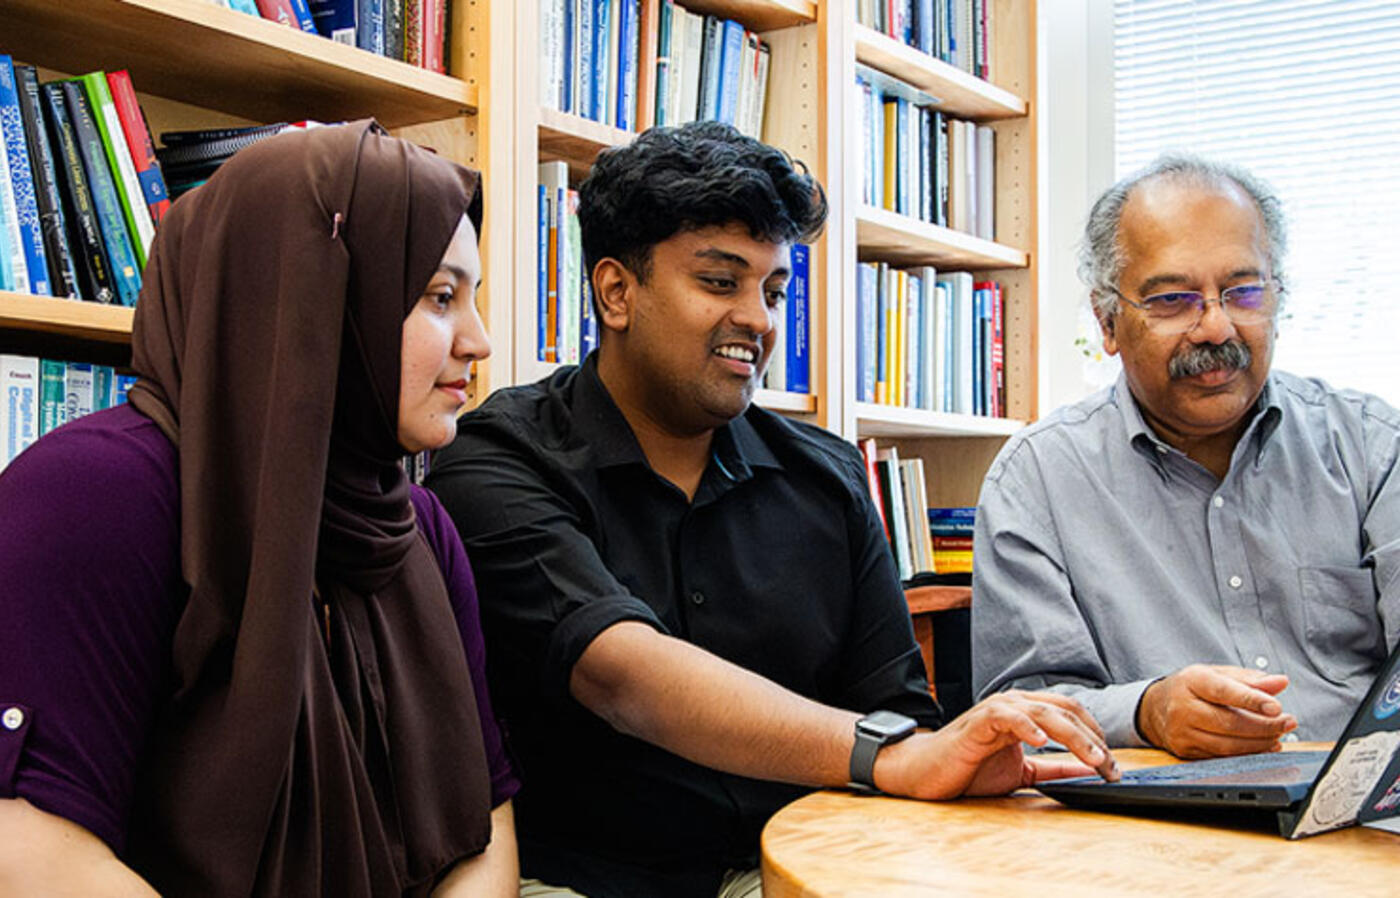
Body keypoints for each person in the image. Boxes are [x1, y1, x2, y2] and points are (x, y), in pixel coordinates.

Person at [426, 121, 1115, 898]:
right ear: (616, 292)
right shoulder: (494, 463)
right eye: (721, 282)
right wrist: (886, 755)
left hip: (811, 862)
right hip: (586, 880)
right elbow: (621, 674)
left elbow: (901, 713)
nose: (759, 319)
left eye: (774, 289)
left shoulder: (826, 477)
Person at [0, 121, 519, 896]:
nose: (479, 341)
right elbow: (33, 856)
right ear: (305, 293)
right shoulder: (97, 496)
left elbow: (486, 828)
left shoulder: (417, 527)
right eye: (440, 296)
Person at [973, 154, 1400, 759]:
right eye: (1174, 300)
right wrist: (1146, 712)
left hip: (1365, 817)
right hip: (1157, 830)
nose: (1217, 327)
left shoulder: (1373, 448)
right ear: (1108, 322)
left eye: (1244, 291)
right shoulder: (1037, 480)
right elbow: (1023, 711)